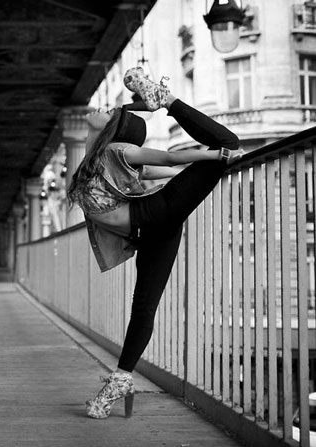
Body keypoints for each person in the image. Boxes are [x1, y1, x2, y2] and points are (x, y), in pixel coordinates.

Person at [67, 67, 245, 419]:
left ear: (111, 127)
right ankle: (120, 379)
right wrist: (195, 171)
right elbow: (155, 170)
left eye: (108, 111)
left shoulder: (116, 149)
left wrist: (215, 158)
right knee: (144, 306)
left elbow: (169, 158)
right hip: (152, 229)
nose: (101, 108)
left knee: (229, 144)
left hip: (155, 215)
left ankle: (167, 100)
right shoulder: (99, 159)